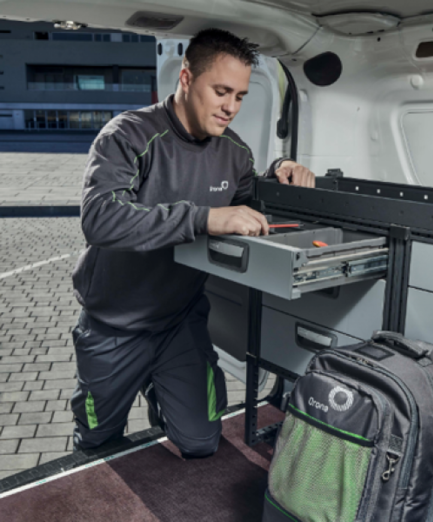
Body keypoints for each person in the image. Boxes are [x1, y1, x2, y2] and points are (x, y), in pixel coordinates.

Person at [70, 28, 315, 458]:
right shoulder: (127, 136)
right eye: (221, 91)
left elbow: (245, 203)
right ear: (186, 78)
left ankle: (162, 390)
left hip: (179, 322)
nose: (231, 108)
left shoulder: (234, 152)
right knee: (96, 442)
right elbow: (100, 218)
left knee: (202, 444)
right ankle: (132, 389)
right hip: (115, 323)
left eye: (240, 96)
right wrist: (203, 218)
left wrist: (281, 172)